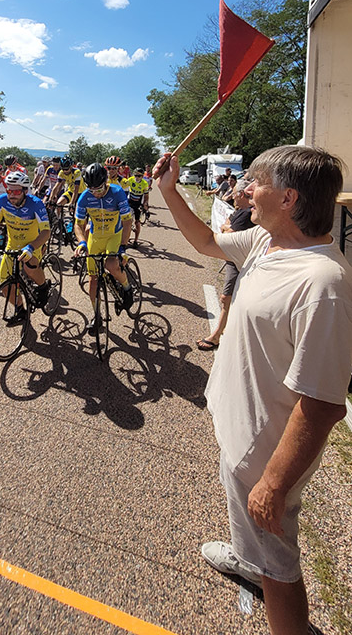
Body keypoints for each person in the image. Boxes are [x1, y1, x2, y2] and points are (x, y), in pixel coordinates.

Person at [154, 145, 352, 635]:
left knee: (279, 563)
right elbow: (205, 241)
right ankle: (247, 558)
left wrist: (275, 484)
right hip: (240, 431)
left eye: (256, 182)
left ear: (288, 198)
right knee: (254, 534)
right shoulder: (266, 241)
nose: (244, 190)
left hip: (265, 454)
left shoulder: (323, 284)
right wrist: (168, 190)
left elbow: (322, 404)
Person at [0, 170, 51, 324]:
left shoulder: (36, 204)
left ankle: (43, 287)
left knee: (29, 267)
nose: (12, 195)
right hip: (13, 245)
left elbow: (46, 231)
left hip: (33, 244)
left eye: (16, 191)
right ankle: (20, 310)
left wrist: (31, 248)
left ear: (25, 191)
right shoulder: (2, 201)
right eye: (9, 191)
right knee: (4, 283)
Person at [74, 163, 134, 334]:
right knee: (93, 279)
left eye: (99, 189)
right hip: (95, 238)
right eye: (91, 189)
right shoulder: (84, 197)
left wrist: (123, 247)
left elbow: (127, 221)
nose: (96, 193)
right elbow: (78, 224)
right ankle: (96, 315)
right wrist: (82, 242)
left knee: (111, 265)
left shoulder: (117, 192)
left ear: (105, 182)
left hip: (114, 235)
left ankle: (127, 287)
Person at [196, 179, 254, 351]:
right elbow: (226, 224)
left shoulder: (246, 214)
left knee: (226, 298)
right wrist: (227, 227)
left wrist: (226, 227)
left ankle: (217, 336)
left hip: (237, 262)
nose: (232, 197)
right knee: (229, 298)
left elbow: (228, 234)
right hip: (232, 260)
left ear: (241, 194)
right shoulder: (240, 211)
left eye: (234, 194)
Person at [126, 168, 149, 247]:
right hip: (130, 202)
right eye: (135, 175)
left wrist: (145, 204)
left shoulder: (144, 184)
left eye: (139, 176)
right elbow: (123, 186)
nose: (137, 177)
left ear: (142, 176)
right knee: (127, 221)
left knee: (137, 223)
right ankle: (125, 239)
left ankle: (136, 240)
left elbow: (146, 196)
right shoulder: (131, 180)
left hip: (138, 204)